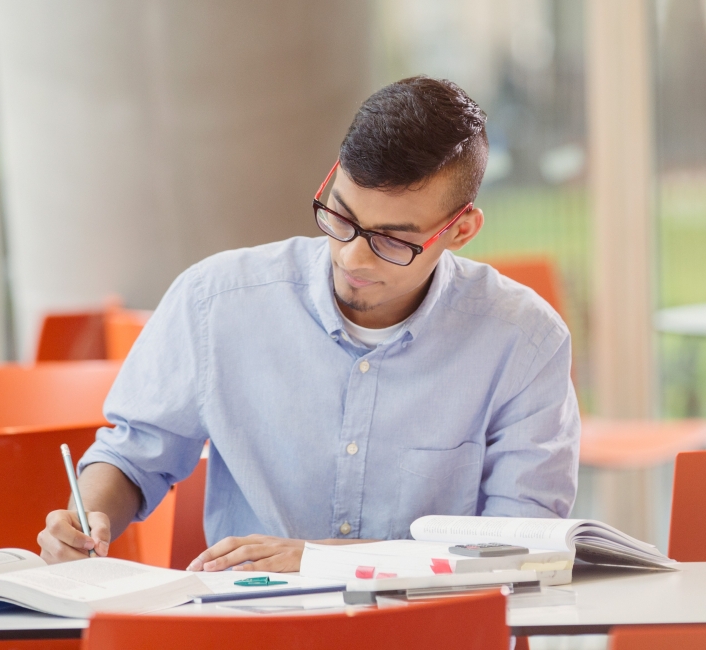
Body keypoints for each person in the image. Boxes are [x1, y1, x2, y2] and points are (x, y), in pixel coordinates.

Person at [37, 76, 580, 573]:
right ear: (332, 179)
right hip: (253, 628)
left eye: (392, 240)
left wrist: (324, 559)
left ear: (461, 230)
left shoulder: (524, 340)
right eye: (340, 217)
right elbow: (135, 453)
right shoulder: (216, 301)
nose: (351, 258)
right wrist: (89, 518)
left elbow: (521, 546)